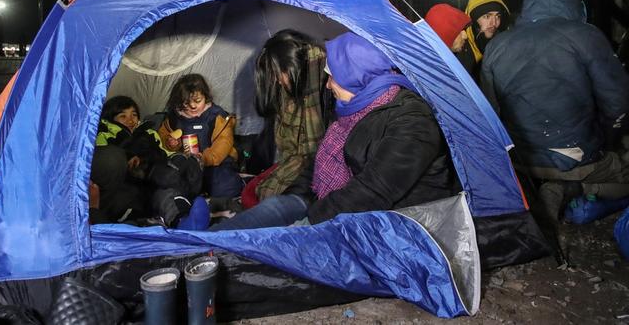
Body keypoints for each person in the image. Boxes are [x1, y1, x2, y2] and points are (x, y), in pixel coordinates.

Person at [212, 32, 459, 230]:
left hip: (388, 222)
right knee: (269, 210)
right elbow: (317, 160)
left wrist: (307, 224)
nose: (328, 85)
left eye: (332, 77)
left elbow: (372, 192)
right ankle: (201, 244)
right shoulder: (351, 107)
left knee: (265, 245)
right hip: (325, 201)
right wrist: (293, 197)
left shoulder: (412, 121)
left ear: (355, 75)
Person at [481, 0, 629, 221]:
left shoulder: (496, 46)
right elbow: (618, 103)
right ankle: (580, 189)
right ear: (573, 2)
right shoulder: (586, 35)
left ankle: (543, 190)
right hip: (578, 157)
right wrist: (607, 140)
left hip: (523, 160)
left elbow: (490, 111)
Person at [241, 29, 329, 209]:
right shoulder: (290, 87)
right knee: (252, 192)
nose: (277, 81)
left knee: (262, 197)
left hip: (317, 162)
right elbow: (289, 147)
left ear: (290, 65)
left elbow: (313, 151)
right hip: (294, 158)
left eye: (277, 74)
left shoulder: (326, 87)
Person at [90, 96, 207, 228]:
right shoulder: (105, 134)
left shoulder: (149, 133)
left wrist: (182, 157)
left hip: (154, 182)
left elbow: (164, 153)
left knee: (168, 194)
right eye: (123, 116)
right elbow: (105, 165)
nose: (130, 120)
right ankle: (137, 224)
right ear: (111, 119)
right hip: (127, 186)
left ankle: (183, 221)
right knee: (128, 200)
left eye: (134, 115)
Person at [158, 74, 244, 198]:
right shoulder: (175, 117)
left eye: (198, 101)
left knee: (225, 187)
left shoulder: (217, 116)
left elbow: (224, 142)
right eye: (186, 103)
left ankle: (234, 184)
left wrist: (203, 158)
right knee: (171, 185)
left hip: (216, 163)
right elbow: (164, 134)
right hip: (187, 165)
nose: (193, 106)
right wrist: (171, 143)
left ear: (205, 97)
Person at [464, 0, 510, 78]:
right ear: (474, 20)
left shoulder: (507, 46)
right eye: (487, 16)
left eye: (498, 16)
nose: (494, 23)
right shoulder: (461, 50)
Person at [424, 3, 476, 77]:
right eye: (460, 31)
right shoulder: (430, 73)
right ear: (445, 34)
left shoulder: (465, 56)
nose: (465, 36)